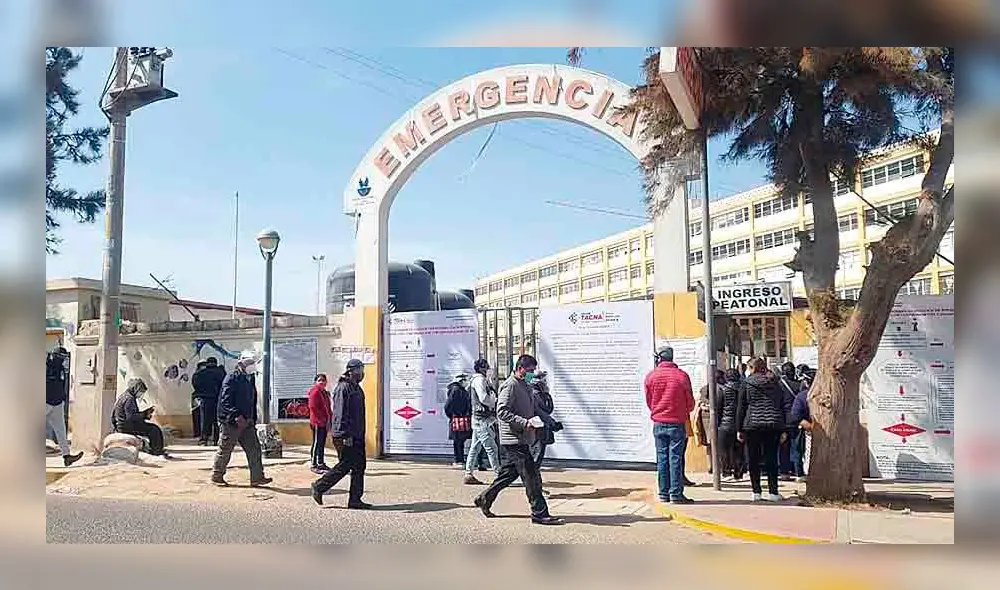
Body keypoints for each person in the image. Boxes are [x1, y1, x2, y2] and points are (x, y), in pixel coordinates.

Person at [473, 354, 563, 525]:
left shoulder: (525, 385)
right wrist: (523, 422)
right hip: (513, 439)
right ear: (520, 368)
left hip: (523, 437)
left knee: (508, 474)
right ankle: (539, 513)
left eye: (533, 370)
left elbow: (535, 408)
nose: (532, 373)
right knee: (532, 476)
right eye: (529, 370)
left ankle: (485, 498)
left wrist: (551, 422)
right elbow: (502, 411)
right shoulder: (510, 386)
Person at [311, 359, 372, 509]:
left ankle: (355, 500)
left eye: (362, 369)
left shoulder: (356, 387)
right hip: (346, 435)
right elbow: (340, 413)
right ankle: (319, 487)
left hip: (357, 434)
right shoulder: (343, 388)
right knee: (345, 465)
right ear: (350, 371)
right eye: (359, 370)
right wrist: (345, 435)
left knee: (359, 466)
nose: (361, 373)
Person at [644, 346, 695, 504]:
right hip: (676, 422)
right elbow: (690, 403)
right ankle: (676, 493)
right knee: (675, 458)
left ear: (659, 358)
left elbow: (649, 401)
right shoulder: (682, 376)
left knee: (662, 458)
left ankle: (663, 493)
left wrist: (658, 410)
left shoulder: (651, 376)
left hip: (659, 422)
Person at [212, 351, 271, 487]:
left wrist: (252, 418)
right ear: (241, 363)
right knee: (226, 449)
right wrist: (236, 416)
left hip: (247, 421)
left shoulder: (249, 378)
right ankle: (217, 475)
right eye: (250, 362)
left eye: (253, 363)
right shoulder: (232, 377)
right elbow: (225, 401)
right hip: (231, 421)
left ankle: (257, 477)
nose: (253, 365)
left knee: (254, 449)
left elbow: (252, 400)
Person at [737, 357, 792, 502]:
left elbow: (741, 407)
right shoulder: (775, 383)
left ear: (752, 368)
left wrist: (739, 429)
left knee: (753, 458)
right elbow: (782, 405)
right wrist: (784, 428)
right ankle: (773, 492)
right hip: (773, 424)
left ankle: (756, 492)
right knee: (771, 459)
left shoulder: (746, 383)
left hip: (752, 425)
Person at [112, 378, 169, 457]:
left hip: (122, 425)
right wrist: (144, 414)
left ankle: (155, 450)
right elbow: (131, 417)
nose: (141, 394)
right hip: (127, 426)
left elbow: (115, 416)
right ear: (136, 388)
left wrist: (144, 415)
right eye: (141, 391)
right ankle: (157, 451)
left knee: (150, 427)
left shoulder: (123, 397)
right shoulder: (129, 399)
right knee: (154, 429)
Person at [45, 347, 83, 467]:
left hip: (57, 403)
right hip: (44, 401)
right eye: (61, 358)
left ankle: (67, 456)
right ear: (56, 356)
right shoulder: (47, 366)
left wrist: (62, 398)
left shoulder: (61, 368)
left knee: (61, 430)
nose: (63, 360)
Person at [465, 359, 500, 484]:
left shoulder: (477, 380)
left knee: (475, 447)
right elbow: (484, 398)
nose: (488, 370)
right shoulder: (480, 380)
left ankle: (468, 473)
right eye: (487, 368)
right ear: (482, 368)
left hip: (479, 418)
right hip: (482, 419)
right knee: (492, 448)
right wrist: (494, 400)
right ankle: (498, 475)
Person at [715, 368, 746, 480]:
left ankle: (726, 471)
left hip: (725, 423)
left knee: (724, 449)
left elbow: (719, 408)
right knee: (739, 449)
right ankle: (739, 473)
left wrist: (718, 422)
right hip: (740, 423)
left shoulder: (722, 390)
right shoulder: (744, 388)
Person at [529, 370, 562, 470]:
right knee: (536, 453)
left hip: (542, 426)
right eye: (541, 378)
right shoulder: (534, 394)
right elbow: (540, 412)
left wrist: (547, 395)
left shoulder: (542, 394)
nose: (544, 381)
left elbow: (548, 410)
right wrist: (552, 422)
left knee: (539, 453)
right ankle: (531, 477)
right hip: (537, 427)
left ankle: (533, 475)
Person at [695, 370, 725, 474]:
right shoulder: (722, 389)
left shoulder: (703, 389)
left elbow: (699, 401)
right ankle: (719, 466)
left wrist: (705, 406)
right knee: (718, 443)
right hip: (719, 417)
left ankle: (710, 466)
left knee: (708, 443)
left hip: (705, 418)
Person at [789, 366, 815, 481]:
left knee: (800, 451)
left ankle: (801, 473)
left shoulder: (802, 396)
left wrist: (809, 427)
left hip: (807, 431)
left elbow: (796, 415)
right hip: (813, 430)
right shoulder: (829, 393)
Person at [776, 361, 801, 479]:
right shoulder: (799, 385)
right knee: (796, 447)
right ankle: (798, 472)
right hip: (797, 419)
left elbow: (777, 404)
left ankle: (784, 472)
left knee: (783, 447)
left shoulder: (779, 385)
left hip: (783, 420)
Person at [444, 373, 473, 467]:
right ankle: (458, 460)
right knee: (458, 441)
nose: (466, 382)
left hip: (459, 418)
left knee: (460, 440)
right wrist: (452, 416)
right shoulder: (456, 390)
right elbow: (448, 405)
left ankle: (460, 459)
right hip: (457, 419)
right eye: (464, 380)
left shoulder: (460, 389)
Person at [307, 373, 332, 474]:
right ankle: (313, 464)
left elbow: (328, 407)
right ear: (315, 382)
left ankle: (320, 463)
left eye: (323, 380)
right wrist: (320, 420)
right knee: (317, 443)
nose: (322, 382)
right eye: (319, 380)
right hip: (317, 422)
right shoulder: (315, 391)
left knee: (321, 443)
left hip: (324, 422)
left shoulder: (324, 393)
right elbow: (312, 407)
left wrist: (330, 419)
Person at [191, 359, 219, 445]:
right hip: (217, 399)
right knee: (217, 421)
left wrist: (201, 391)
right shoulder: (220, 372)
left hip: (204, 399)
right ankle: (216, 439)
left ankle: (204, 439)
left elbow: (195, 384)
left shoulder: (200, 373)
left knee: (205, 420)